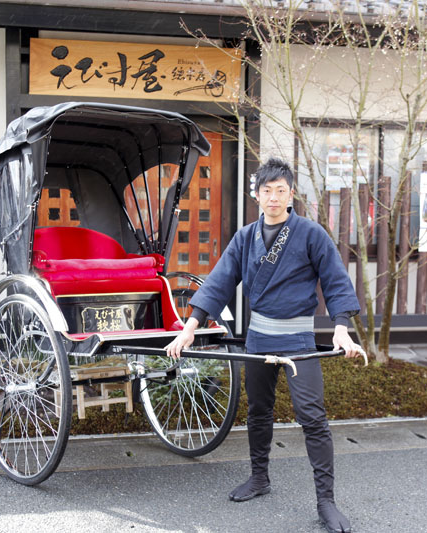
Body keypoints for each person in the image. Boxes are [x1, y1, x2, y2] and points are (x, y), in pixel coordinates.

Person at [165, 157, 361, 533]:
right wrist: (190, 326)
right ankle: (259, 477)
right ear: (256, 195)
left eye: (280, 191)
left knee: (313, 417)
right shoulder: (244, 237)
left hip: (299, 337)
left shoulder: (310, 233)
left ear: (291, 195)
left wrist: (340, 327)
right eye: (266, 191)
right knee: (258, 411)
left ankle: (326, 502)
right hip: (259, 337)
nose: (273, 198)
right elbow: (220, 280)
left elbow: (335, 280)